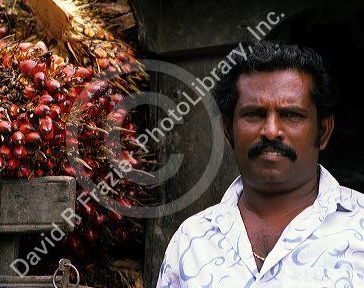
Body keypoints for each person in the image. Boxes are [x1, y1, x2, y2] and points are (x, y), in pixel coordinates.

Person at [156, 41, 364, 287]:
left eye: (291, 115)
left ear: (323, 131)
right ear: (227, 130)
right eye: (254, 114)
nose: (271, 131)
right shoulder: (191, 241)